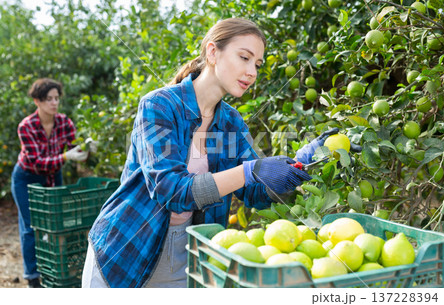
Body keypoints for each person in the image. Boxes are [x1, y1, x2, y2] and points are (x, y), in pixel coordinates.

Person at [82, 18, 335, 288]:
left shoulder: (231, 122)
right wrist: (250, 170)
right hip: (128, 246)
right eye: (244, 58)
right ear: (213, 52)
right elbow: (171, 190)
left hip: (190, 252)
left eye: (257, 64)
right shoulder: (159, 106)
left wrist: (302, 164)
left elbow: (255, 193)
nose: (252, 72)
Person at [11, 78, 89, 288]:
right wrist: (66, 158)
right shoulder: (26, 126)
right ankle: (33, 277)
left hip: (53, 176)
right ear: (37, 101)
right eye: (48, 99)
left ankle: (53, 271)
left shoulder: (64, 122)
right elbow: (35, 162)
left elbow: (75, 147)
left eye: (56, 98)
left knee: (55, 226)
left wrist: (88, 148)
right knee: (31, 227)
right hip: (27, 178)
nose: (54, 103)